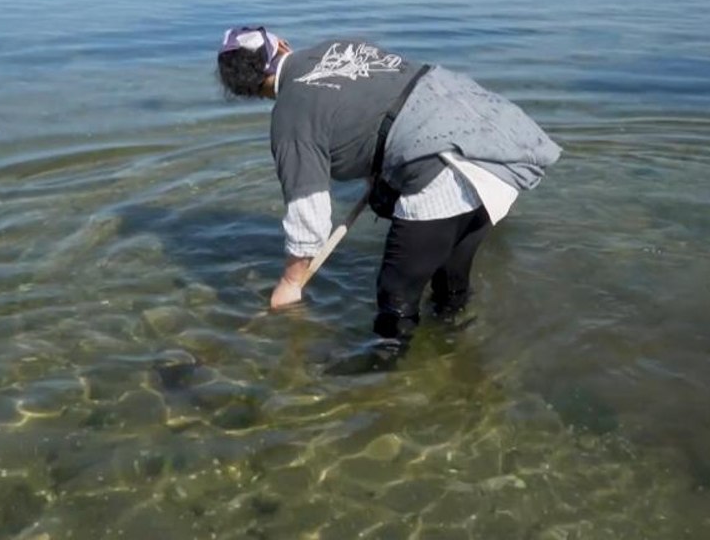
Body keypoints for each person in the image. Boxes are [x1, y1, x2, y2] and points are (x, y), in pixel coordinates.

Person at [215, 27, 561, 362]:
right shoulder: (338, 46)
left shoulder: (290, 119)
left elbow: (309, 215)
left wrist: (290, 283)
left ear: (248, 91)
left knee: (395, 294)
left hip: (446, 168)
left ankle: (388, 373)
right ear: (282, 45)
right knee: (450, 284)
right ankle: (456, 350)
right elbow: (384, 104)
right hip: (496, 137)